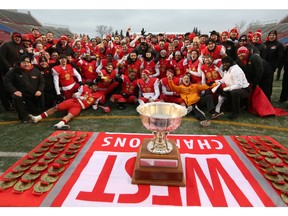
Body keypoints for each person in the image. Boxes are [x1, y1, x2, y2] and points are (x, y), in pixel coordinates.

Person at [29, 82, 106, 130]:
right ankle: (37, 118)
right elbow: (74, 95)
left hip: (79, 107)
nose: (96, 87)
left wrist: (98, 106)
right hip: (74, 101)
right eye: (95, 86)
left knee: (70, 115)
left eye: (97, 86)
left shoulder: (98, 95)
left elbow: (95, 104)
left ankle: (60, 124)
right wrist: (78, 96)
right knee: (56, 107)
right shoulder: (84, 88)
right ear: (91, 86)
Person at [4, 54, 45, 123]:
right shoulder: (13, 71)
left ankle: (40, 113)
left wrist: (39, 90)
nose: (26, 64)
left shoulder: (36, 71)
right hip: (21, 95)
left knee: (41, 96)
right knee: (16, 97)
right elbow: (7, 82)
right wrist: (14, 91)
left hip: (33, 95)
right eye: (24, 62)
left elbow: (42, 82)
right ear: (20, 63)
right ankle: (24, 118)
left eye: (28, 62)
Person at [0, 32, 27, 111]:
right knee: (5, 89)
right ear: (12, 37)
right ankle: (7, 105)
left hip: (17, 72)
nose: (18, 38)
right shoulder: (6, 45)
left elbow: (23, 59)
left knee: (15, 88)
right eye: (16, 37)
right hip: (5, 71)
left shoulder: (22, 48)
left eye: (19, 37)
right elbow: (2, 57)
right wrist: (9, 67)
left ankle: (15, 103)